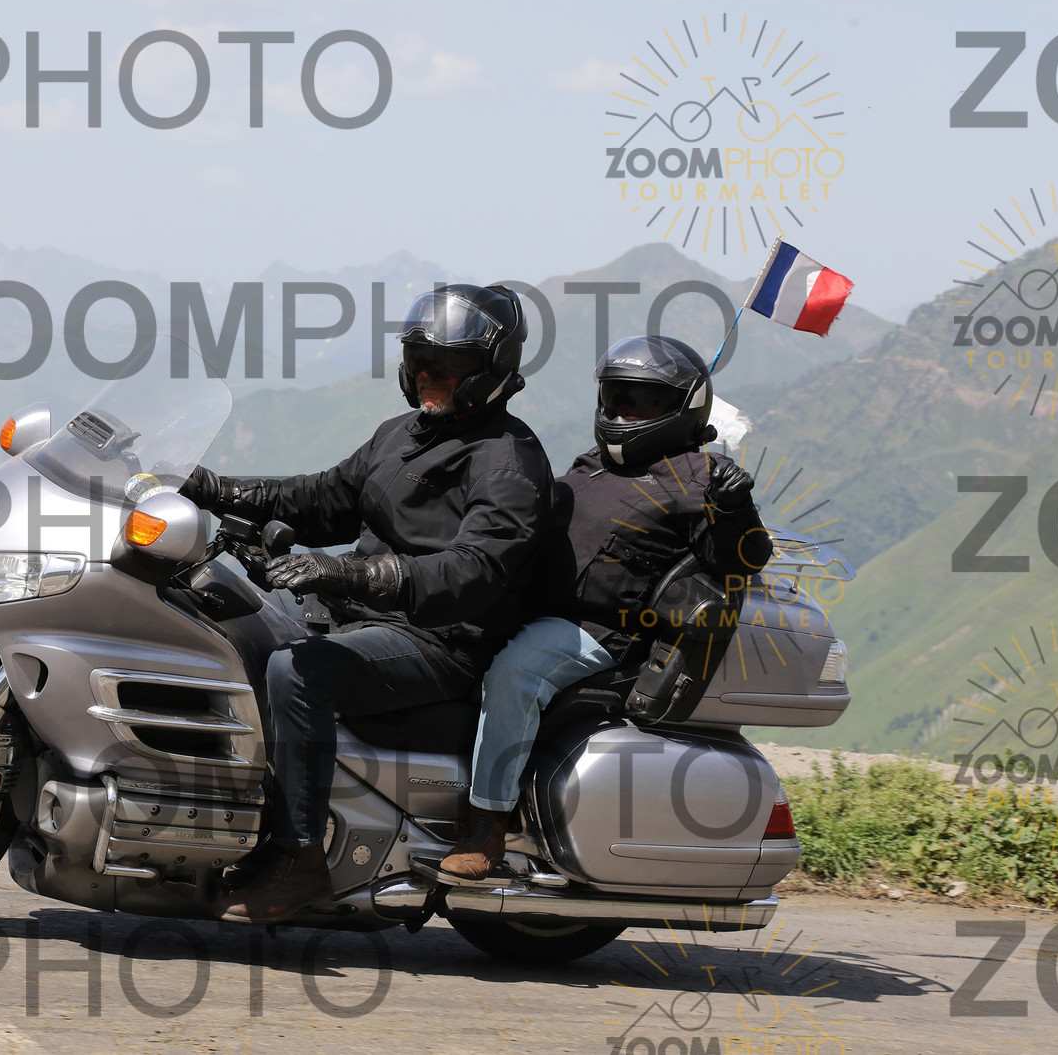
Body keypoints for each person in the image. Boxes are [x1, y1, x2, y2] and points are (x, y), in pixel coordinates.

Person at [181, 283, 552, 924]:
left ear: (491, 370)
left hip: (441, 641)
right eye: (419, 360)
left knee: (298, 671)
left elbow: (476, 569)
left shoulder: (508, 461)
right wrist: (211, 487)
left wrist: (353, 574)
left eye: (447, 364)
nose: (428, 375)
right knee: (226, 617)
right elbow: (320, 497)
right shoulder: (403, 435)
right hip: (367, 616)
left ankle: (299, 859)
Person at [440, 334, 774, 879]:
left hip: (598, 632)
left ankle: (487, 826)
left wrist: (735, 508)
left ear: (684, 407)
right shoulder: (594, 463)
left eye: (644, 402)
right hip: (530, 608)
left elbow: (742, 561)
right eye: (618, 398)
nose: (625, 413)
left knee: (516, 675)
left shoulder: (701, 477)